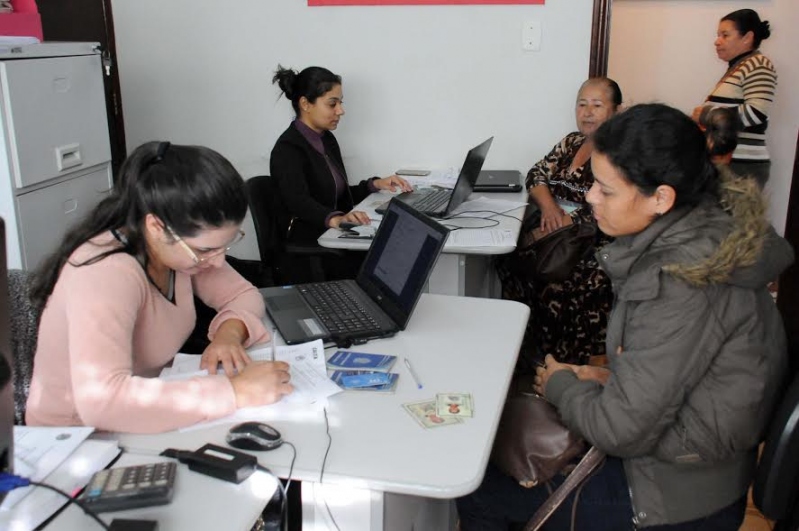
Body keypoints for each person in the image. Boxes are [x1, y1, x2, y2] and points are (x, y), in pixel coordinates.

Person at [457, 104, 791, 530]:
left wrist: (559, 384)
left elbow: (619, 431)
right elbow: (686, 369)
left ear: (661, 197)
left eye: (605, 189)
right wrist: (604, 380)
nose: (591, 197)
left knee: (479, 491)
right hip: (692, 463)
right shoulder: (703, 232)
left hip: (671, 493)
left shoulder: (679, 281)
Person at [25, 141, 294, 433]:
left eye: (225, 246)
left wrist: (229, 333)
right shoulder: (105, 272)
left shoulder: (181, 253)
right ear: (156, 227)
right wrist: (233, 392)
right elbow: (101, 402)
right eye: (205, 249)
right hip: (78, 438)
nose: (217, 262)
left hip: (143, 411)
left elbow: (242, 294)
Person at [497, 77, 622, 368]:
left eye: (597, 105)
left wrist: (551, 230)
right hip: (554, 230)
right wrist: (549, 207)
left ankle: (567, 365)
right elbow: (536, 175)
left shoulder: (618, 153)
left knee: (558, 277)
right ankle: (530, 358)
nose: (587, 112)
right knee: (507, 263)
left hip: (590, 242)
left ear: (616, 111)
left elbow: (598, 211)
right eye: (581, 104)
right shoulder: (571, 142)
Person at [270, 65, 411, 280]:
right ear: (306, 104)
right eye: (332, 104)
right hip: (312, 247)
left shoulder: (326, 139)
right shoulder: (288, 149)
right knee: (388, 261)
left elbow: (336, 194)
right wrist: (335, 219)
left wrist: (374, 185)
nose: (340, 111)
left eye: (340, 102)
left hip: (334, 235)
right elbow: (297, 201)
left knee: (397, 248)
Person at [692, 9, 777, 188]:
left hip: (741, 166)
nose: (717, 41)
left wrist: (706, 114)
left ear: (747, 37)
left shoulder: (758, 64)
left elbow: (756, 112)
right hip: (730, 163)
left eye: (725, 35)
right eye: (718, 35)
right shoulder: (741, 66)